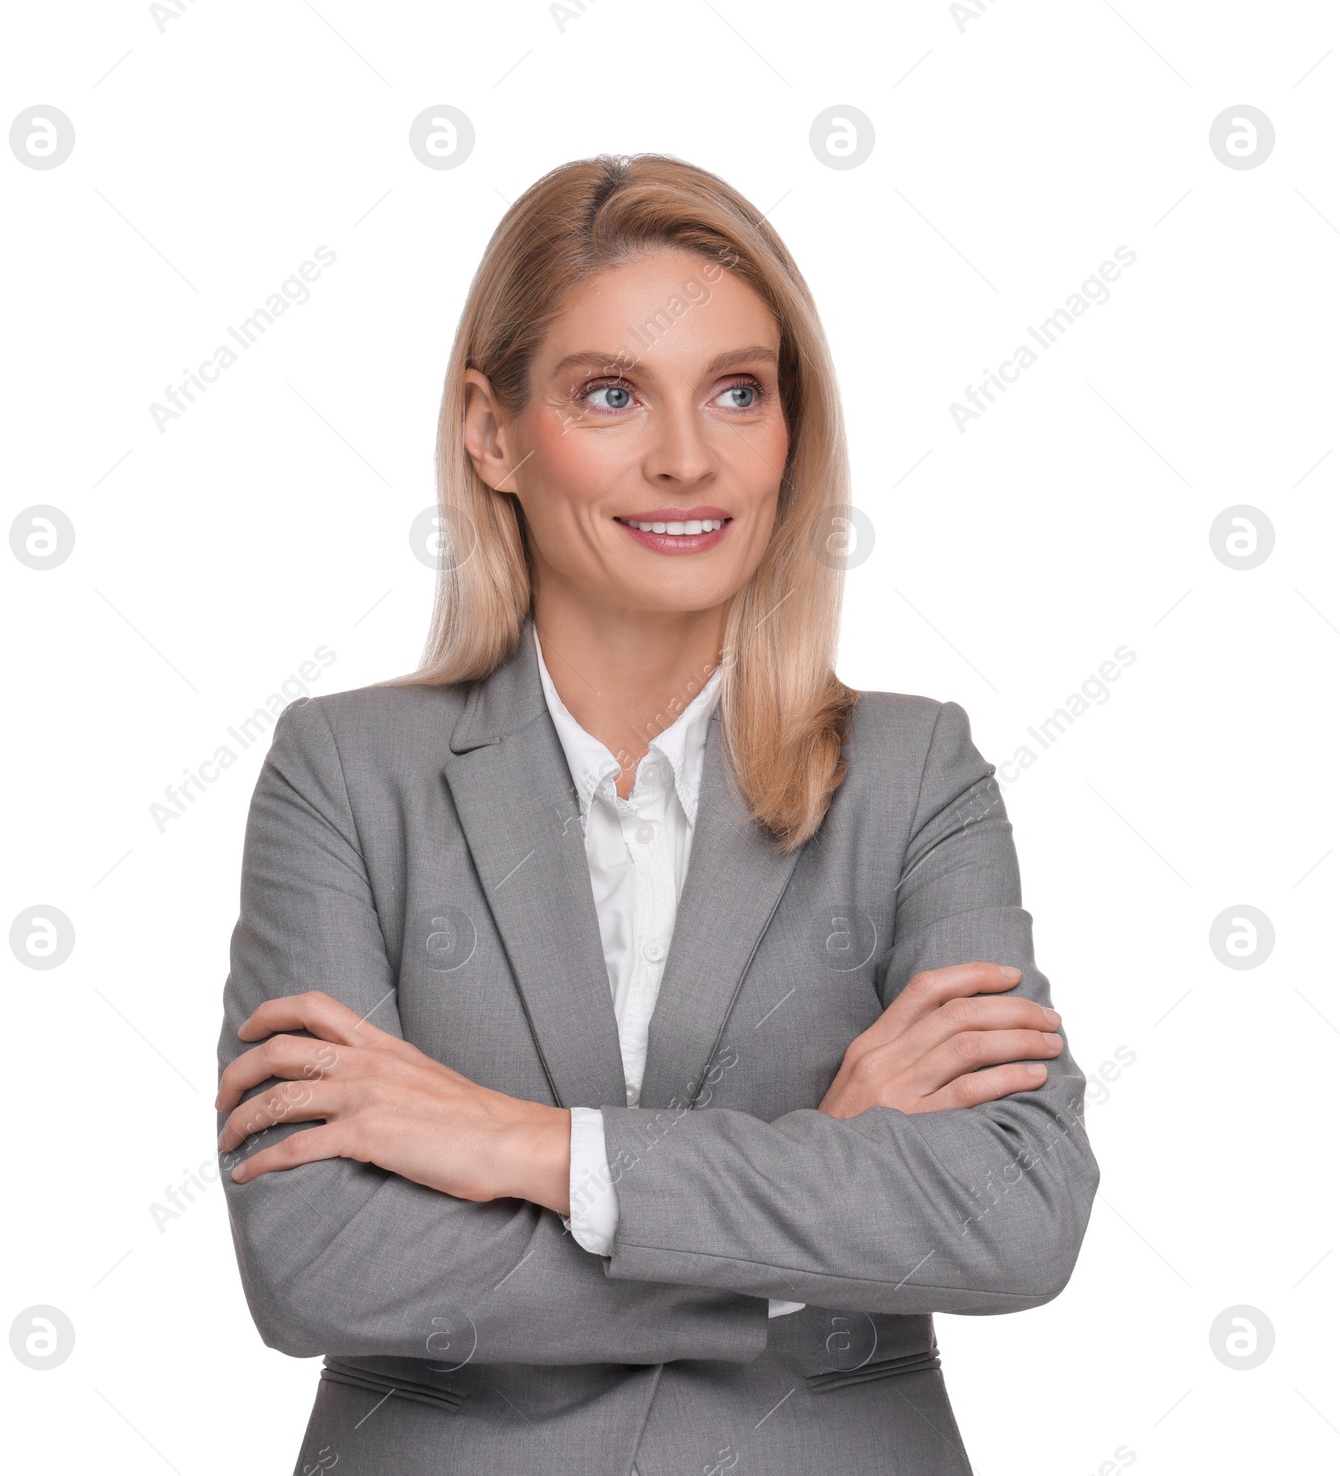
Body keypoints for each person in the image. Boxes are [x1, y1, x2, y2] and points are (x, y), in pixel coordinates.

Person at [215, 153, 1099, 1476]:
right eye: (611, 394)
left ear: (792, 429)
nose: (687, 459)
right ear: (493, 429)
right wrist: (819, 1196)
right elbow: (320, 1265)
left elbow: (1014, 1215)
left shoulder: (915, 775)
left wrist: (526, 1148)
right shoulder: (347, 773)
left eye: (738, 392)